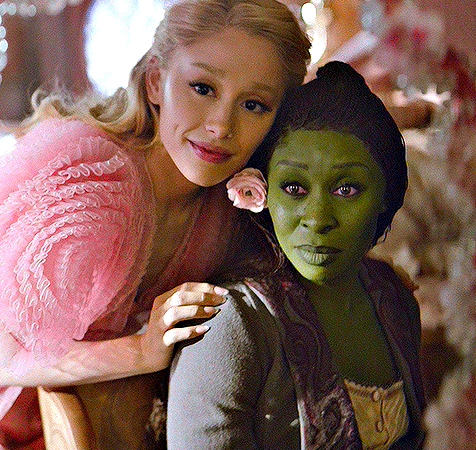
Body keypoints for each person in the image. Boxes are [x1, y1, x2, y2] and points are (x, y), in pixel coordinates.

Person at [0, 0, 310, 448]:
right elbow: (7, 359)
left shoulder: (224, 208)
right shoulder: (98, 194)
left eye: (253, 104)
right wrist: (142, 349)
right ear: (155, 82)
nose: (221, 125)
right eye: (202, 88)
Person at [167, 61, 426, 449]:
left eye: (346, 189)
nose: (318, 219)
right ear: (261, 193)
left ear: (385, 197)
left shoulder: (394, 297)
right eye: (293, 188)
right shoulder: (231, 326)